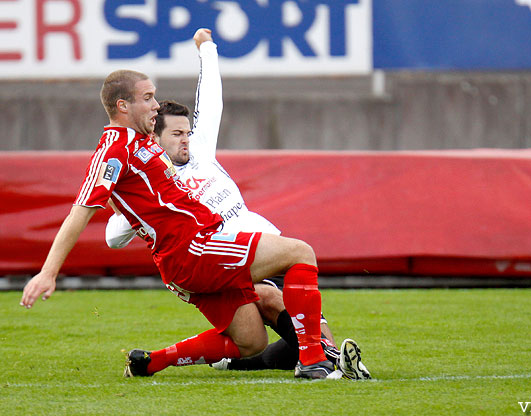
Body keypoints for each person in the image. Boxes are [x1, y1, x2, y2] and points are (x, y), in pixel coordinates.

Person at [20, 28, 339, 380]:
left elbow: (139, 199)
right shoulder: (114, 149)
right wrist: (49, 273)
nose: (156, 105)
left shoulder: (143, 142)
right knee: (301, 252)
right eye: (148, 97)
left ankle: (153, 361)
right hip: (193, 248)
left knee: (251, 342)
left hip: (184, 259)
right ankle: (313, 362)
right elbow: (82, 210)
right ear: (123, 106)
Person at [104, 29, 370, 379]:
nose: (187, 140)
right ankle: (324, 361)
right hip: (221, 260)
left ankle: (171, 360)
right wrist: (123, 207)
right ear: (153, 136)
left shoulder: (199, 154)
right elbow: (114, 234)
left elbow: (211, 102)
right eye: (176, 134)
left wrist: (208, 50)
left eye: (188, 133)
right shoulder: (151, 184)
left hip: (259, 248)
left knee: (255, 340)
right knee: (278, 303)